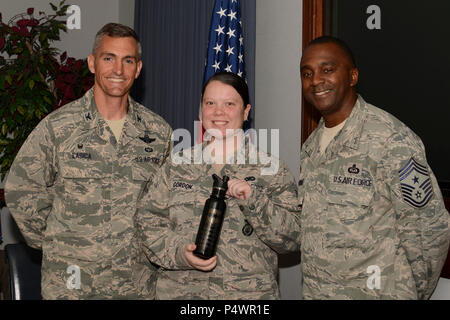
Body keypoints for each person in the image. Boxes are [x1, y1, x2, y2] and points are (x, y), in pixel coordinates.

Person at [4, 23, 172, 299]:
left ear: (138, 69)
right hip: (71, 286)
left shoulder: (158, 133)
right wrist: (60, 242)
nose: (118, 70)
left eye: (127, 60)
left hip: (135, 286)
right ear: (92, 63)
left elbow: (165, 205)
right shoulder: (58, 127)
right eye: (109, 58)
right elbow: (22, 189)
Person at [298, 36, 450, 299]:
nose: (315, 80)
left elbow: (429, 232)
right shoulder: (311, 147)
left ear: (352, 76)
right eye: (307, 73)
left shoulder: (391, 139)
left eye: (328, 69)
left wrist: (409, 292)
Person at [134, 72, 301, 299]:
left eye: (229, 104)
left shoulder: (271, 169)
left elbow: (293, 238)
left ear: (246, 111)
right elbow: (148, 223)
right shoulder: (176, 165)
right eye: (210, 103)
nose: (218, 112)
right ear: (200, 109)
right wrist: (181, 254)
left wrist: (254, 200)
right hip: (183, 295)